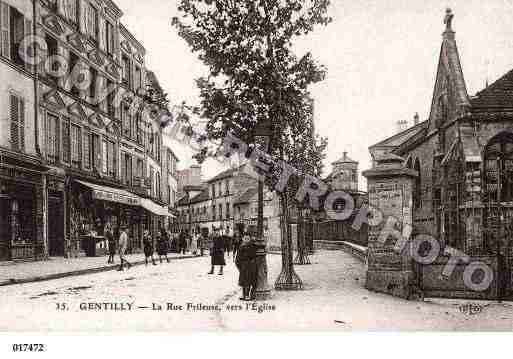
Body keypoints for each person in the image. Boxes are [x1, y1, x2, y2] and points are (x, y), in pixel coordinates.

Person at [235, 232, 258, 301]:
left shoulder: (252, 246)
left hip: (251, 266)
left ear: (250, 239)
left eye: (248, 238)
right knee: (243, 282)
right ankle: (244, 294)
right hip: (244, 267)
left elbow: (254, 255)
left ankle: (249, 295)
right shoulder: (241, 247)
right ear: (242, 239)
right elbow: (237, 259)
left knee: (250, 281)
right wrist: (240, 267)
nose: (246, 240)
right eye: (245, 238)